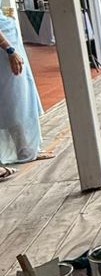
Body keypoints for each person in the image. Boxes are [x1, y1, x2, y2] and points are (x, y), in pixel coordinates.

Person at [0, 9, 44, 176]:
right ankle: (24, 149)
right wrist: (9, 50)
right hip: (5, 50)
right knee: (12, 101)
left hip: (8, 41)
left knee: (20, 97)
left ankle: (26, 148)